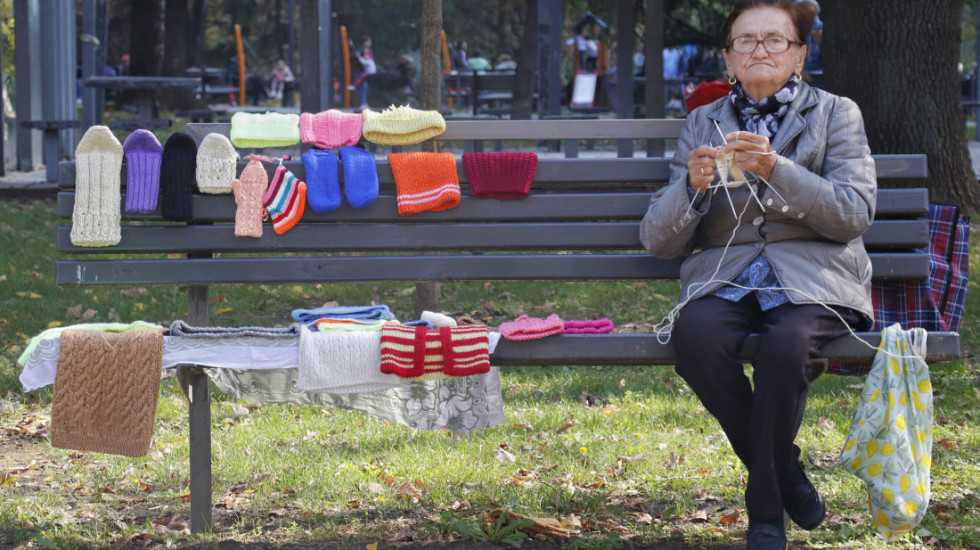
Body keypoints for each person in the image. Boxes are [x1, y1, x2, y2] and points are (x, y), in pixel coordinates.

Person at [639, 1, 875, 549]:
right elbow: (657, 239)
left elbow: (853, 213)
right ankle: (787, 472)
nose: (760, 50)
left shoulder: (836, 113)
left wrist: (778, 169)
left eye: (775, 40)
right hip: (728, 275)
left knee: (785, 347)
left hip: (813, 276)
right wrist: (692, 189)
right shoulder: (705, 121)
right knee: (694, 335)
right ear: (728, 58)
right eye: (746, 41)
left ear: (799, 54)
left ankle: (766, 514)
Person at [797, 0, 823, 85]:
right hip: (797, 75)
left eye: (810, 21)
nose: (807, 25)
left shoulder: (822, 29)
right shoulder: (790, 28)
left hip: (819, 75)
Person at [349, 36, 377, 110]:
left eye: (370, 42)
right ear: (363, 42)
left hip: (368, 73)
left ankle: (364, 103)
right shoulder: (360, 50)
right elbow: (358, 60)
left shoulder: (370, 51)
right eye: (367, 41)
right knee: (363, 87)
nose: (369, 43)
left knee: (366, 87)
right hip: (362, 72)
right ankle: (362, 103)